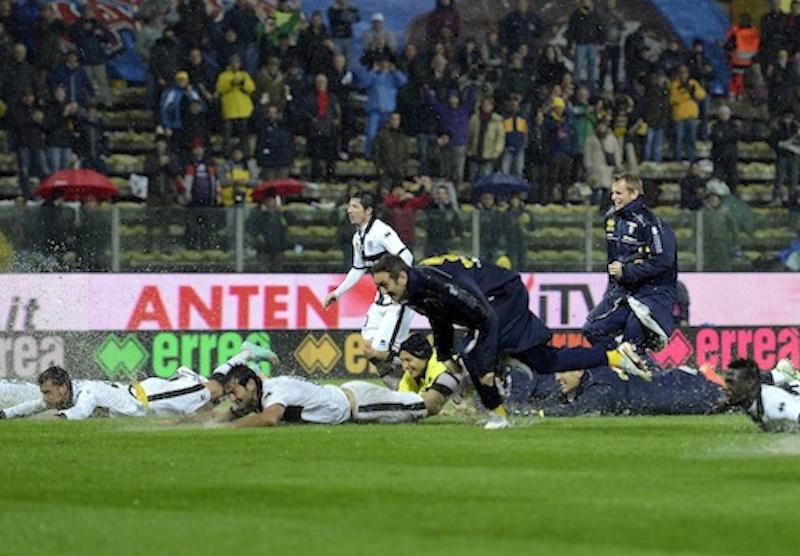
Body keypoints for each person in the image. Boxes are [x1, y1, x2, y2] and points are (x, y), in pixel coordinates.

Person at [370, 253, 650, 429]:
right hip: (498, 298)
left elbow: (484, 314)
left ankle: (498, 416)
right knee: (544, 362)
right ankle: (615, 356)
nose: (383, 292)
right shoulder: (415, 291)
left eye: (384, 284)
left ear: (402, 276)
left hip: (501, 298)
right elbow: (439, 318)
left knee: (474, 355)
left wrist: (487, 361)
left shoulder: (435, 282)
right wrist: (445, 356)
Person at [0, 343, 278, 420]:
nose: (46, 399)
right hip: (150, 398)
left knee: (215, 390)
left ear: (62, 388)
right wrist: (6, 414)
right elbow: (37, 406)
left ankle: (245, 352)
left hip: (150, 399)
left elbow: (78, 415)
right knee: (206, 407)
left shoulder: (88, 392)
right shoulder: (69, 392)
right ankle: (245, 355)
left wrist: (54, 420)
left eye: (49, 393)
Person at [323, 191, 416, 386]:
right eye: (349, 206)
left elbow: (406, 256)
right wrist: (337, 293)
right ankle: (403, 389)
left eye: (355, 207)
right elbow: (358, 269)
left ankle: (420, 384)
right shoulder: (358, 238)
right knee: (367, 347)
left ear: (369, 211)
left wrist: (397, 285)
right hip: (380, 300)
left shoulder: (381, 232)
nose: (350, 210)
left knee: (381, 352)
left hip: (397, 302)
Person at [582, 173, 678, 361]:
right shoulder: (611, 219)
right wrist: (612, 289)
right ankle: (620, 365)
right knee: (592, 330)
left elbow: (664, 261)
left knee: (633, 346)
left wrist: (628, 271)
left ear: (634, 194)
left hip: (649, 295)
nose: (613, 197)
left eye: (619, 193)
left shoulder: (650, 223)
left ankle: (647, 377)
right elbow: (614, 260)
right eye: (613, 193)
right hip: (622, 294)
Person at [223, 365, 427, 427]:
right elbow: (228, 414)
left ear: (250, 385)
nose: (232, 398)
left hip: (361, 405)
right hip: (348, 395)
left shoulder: (273, 393)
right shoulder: (263, 391)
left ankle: (452, 381)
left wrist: (231, 427)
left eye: (234, 392)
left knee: (424, 406)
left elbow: (269, 419)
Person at [513, 366, 724, 417]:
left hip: (678, 392)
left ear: (578, 370)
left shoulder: (600, 386)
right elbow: (557, 401)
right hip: (670, 385)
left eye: (561, 372)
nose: (557, 378)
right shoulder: (591, 377)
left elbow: (578, 410)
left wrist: (539, 414)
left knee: (722, 401)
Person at [718, 358, 800, 432]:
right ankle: (780, 375)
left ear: (749, 383)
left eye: (731, 382)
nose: (726, 387)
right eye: (727, 382)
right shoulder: (749, 396)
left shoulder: (772, 405)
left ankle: (782, 375)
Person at [215, 54, 256, 156]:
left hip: (243, 110)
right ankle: (227, 154)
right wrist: (231, 84)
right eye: (233, 62)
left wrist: (243, 83)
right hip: (229, 110)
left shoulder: (244, 75)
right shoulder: (223, 75)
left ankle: (245, 154)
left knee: (243, 135)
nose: (235, 65)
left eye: (237, 63)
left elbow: (251, 89)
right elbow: (220, 89)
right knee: (227, 135)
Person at [566, 0, 605, 96]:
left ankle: (591, 91)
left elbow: (600, 27)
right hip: (581, 43)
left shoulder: (595, 14)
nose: (587, 4)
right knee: (578, 67)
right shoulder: (576, 14)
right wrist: (570, 45)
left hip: (592, 44)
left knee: (591, 68)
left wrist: (602, 41)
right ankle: (575, 89)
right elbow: (571, 30)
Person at [669, 65, 706, 163]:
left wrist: (694, 91)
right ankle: (677, 160)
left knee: (691, 140)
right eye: (681, 72)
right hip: (679, 116)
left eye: (685, 72)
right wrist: (687, 94)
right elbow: (673, 99)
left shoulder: (693, 83)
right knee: (678, 140)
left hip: (691, 116)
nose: (683, 75)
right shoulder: (674, 84)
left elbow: (702, 95)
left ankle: (691, 161)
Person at [246, 189, 288, 272]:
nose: (271, 202)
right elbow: (249, 225)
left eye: (272, 200)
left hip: (278, 247)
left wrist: (282, 212)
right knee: (263, 269)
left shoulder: (279, 213)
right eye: (269, 200)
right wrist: (257, 234)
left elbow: (285, 226)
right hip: (263, 248)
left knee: (277, 269)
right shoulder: (257, 212)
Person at [467, 97, 505, 184]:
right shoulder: (474, 118)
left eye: (488, 104)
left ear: (492, 106)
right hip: (474, 154)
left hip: (488, 156)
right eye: (484, 104)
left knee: (485, 180)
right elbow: (469, 134)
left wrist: (496, 152)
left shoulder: (497, 120)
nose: (486, 106)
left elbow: (500, 138)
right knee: (473, 179)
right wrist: (468, 150)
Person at [701, 185, 738, 272]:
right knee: (708, 264)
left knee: (724, 264)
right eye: (710, 198)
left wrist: (735, 242)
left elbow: (733, 227)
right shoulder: (704, 212)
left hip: (722, 242)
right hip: (708, 242)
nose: (713, 200)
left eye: (715, 198)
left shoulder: (726, 211)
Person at [768, 109, 800, 207]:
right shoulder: (777, 126)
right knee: (779, 178)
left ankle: (792, 199)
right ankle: (776, 198)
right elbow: (772, 140)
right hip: (782, 156)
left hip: (793, 156)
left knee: (793, 179)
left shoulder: (796, 127)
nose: (788, 119)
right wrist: (780, 145)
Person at [423, 183, 462, 257]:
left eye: (443, 194)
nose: (440, 196)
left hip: (445, 241)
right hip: (431, 241)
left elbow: (458, 224)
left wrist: (458, 235)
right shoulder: (430, 208)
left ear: (447, 195)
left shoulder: (451, 210)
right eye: (438, 193)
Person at [373, 112, 410, 187]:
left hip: (399, 173)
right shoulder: (382, 135)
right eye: (393, 119)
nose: (395, 122)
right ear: (389, 120)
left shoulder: (403, 137)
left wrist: (404, 169)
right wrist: (380, 168)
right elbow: (376, 152)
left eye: (397, 119)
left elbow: (406, 154)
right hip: (386, 173)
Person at [709, 106, 739, 190]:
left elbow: (734, 137)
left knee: (732, 177)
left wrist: (723, 136)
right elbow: (714, 137)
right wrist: (725, 137)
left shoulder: (733, 125)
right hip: (718, 155)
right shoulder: (715, 125)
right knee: (718, 177)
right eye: (722, 114)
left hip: (731, 156)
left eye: (726, 114)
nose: (724, 115)